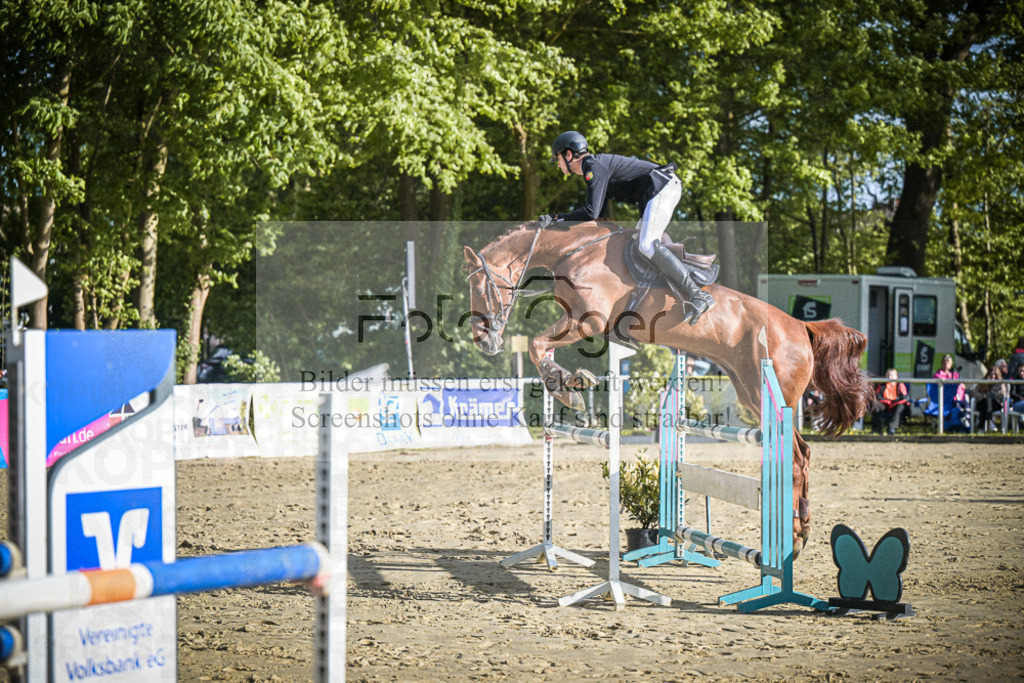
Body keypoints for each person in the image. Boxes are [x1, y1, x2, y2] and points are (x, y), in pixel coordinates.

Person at [541, 130, 715, 325]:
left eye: (558, 158)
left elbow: (590, 212)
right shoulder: (595, 169)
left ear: (569, 155)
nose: (557, 163)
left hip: (662, 188)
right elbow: (598, 215)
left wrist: (558, 219)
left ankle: (697, 294)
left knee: (647, 245)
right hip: (654, 193)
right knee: (639, 245)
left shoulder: (592, 167)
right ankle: (681, 282)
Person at [872, 368, 909, 435]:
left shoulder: (900, 385)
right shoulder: (882, 385)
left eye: (892, 375)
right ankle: (877, 428)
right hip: (885, 404)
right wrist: (887, 402)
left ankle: (891, 428)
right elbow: (877, 396)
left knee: (900, 407)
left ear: (896, 377)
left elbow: (904, 398)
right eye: (888, 375)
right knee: (875, 405)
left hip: (896, 404)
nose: (890, 377)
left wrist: (894, 403)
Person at [970, 366, 1007, 433]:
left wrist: (993, 395)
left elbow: (1003, 395)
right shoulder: (983, 383)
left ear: (997, 375)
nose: (993, 376)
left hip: (995, 405)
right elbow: (974, 393)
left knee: (988, 400)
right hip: (982, 403)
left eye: (994, 375)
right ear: (988, 374)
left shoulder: (1000, 384)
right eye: (991, 374)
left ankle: (980, 427)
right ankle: (990, 422)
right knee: (986, 401)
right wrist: (983, 395)